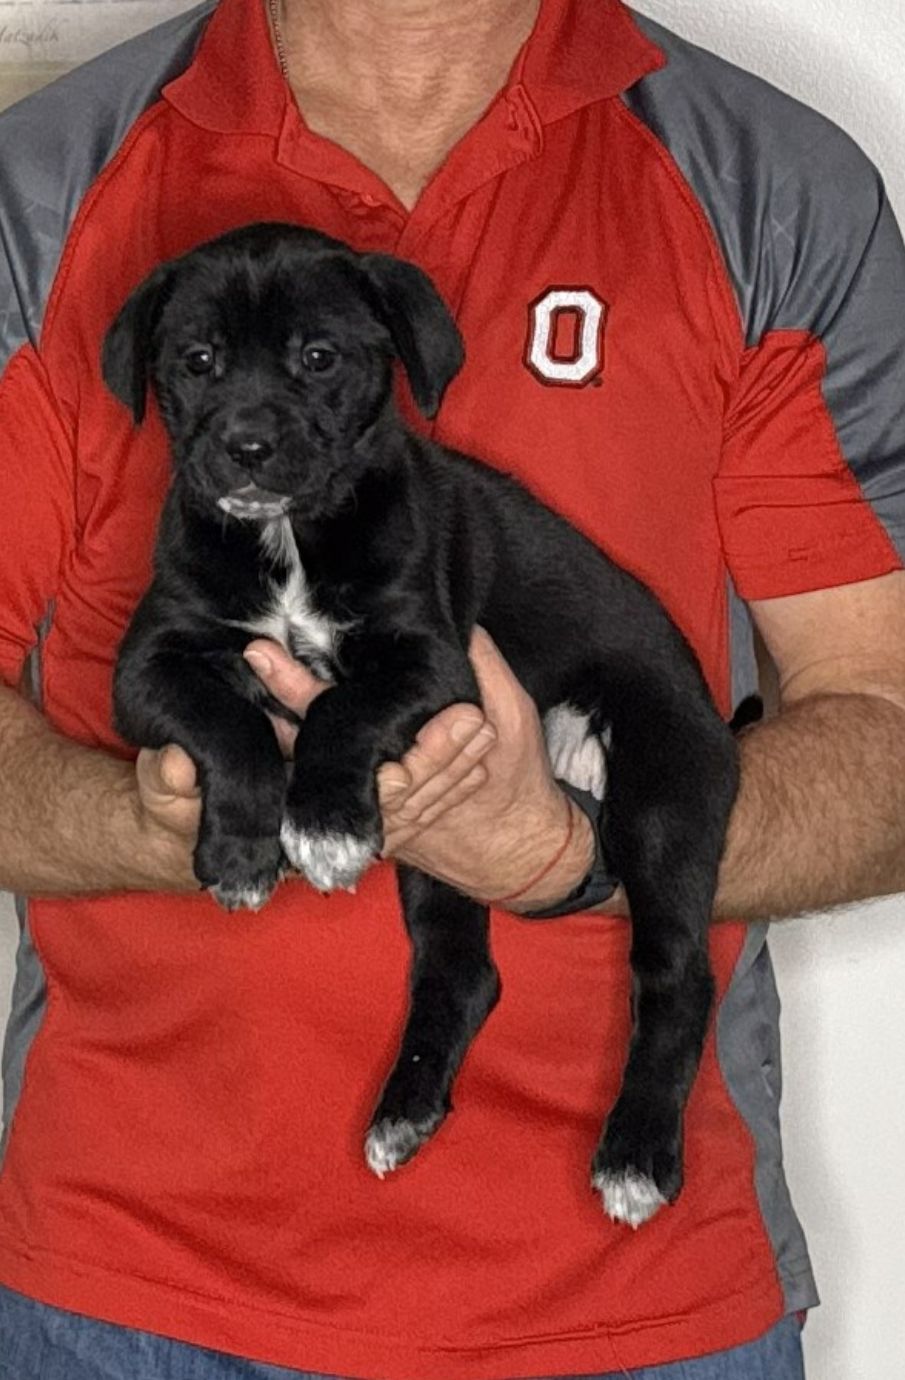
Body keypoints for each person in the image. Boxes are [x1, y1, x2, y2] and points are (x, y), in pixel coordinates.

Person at [0, 0, 903, 1375]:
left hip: (635, 1312)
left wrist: (563, 856)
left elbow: (889, 741)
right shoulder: (47, 183)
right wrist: (152, 826)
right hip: (120, 1294)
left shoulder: (764, 187)